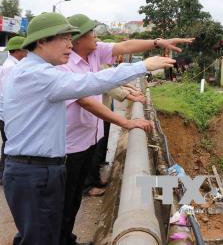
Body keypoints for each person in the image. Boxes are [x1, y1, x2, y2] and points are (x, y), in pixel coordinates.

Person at [0, 12, 176, 245]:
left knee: (45, 232)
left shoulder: (37, 70)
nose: (69, 45)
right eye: (63, 38)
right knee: (39, 237)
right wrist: (143, 66)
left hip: (42, 168)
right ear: (42, 41)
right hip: (34, 170)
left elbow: (94, 75)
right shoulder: (37, 74)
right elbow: (88, 83)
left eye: (71, 38)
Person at [57, 13, 193, 245]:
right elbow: (86, 101)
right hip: (70, 145)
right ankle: (58, 238)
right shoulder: (65, 65)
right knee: (64, 200)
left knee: (75, 198)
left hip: (89, 138)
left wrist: (158, 42)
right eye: (91, 33)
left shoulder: (93, 51)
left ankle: (66, 238)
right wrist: (127, 123)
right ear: (78, 39)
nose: (96, 36)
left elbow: (125, 45)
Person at [0, 36, 28, 184]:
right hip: (7, 114)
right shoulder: (11, 66)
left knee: (8, 143)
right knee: (8, 144)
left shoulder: (13, 64)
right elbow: (7, 93)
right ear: (18, 50)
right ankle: (4, 175)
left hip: (6, 113)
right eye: (25, 48)